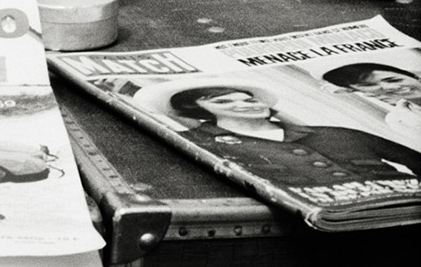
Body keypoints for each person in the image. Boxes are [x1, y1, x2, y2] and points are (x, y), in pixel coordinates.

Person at [163, 83, 421, 189]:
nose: (244, 105)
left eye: (249, 99)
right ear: (197, 110)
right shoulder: (196, 144)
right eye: (223, 102)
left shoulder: (337, 133)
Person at [322, 63, 421, 136]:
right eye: (369, 85)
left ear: (416, 77)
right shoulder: (397, 120)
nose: (389, 87)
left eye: (394, 80)